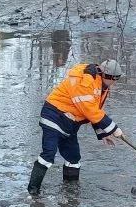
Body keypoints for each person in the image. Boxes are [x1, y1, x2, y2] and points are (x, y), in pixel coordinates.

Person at [27, 59, 123, 195]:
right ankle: (33, 192)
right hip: (54, 116)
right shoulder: (86, 80)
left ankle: (70, 189)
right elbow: (89, 109)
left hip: (69, 124)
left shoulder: (102, 86)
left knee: (73, 157)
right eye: (114, 80)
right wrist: (113, 129)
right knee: (48, 153)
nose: (114, 83)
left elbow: (94, 112)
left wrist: (103, 133)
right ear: (107, 76)